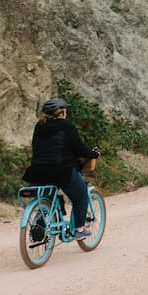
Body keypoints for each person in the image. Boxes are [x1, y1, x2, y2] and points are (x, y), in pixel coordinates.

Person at [22, 97, 101, 240]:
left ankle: (41, 221)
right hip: (61, 170)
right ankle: (79, 229)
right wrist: (94, 154)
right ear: (63, 112)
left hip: (37, 171)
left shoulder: (39, 126)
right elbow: (79, 149)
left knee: (47, 196)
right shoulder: (66, 126)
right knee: (81, 194)